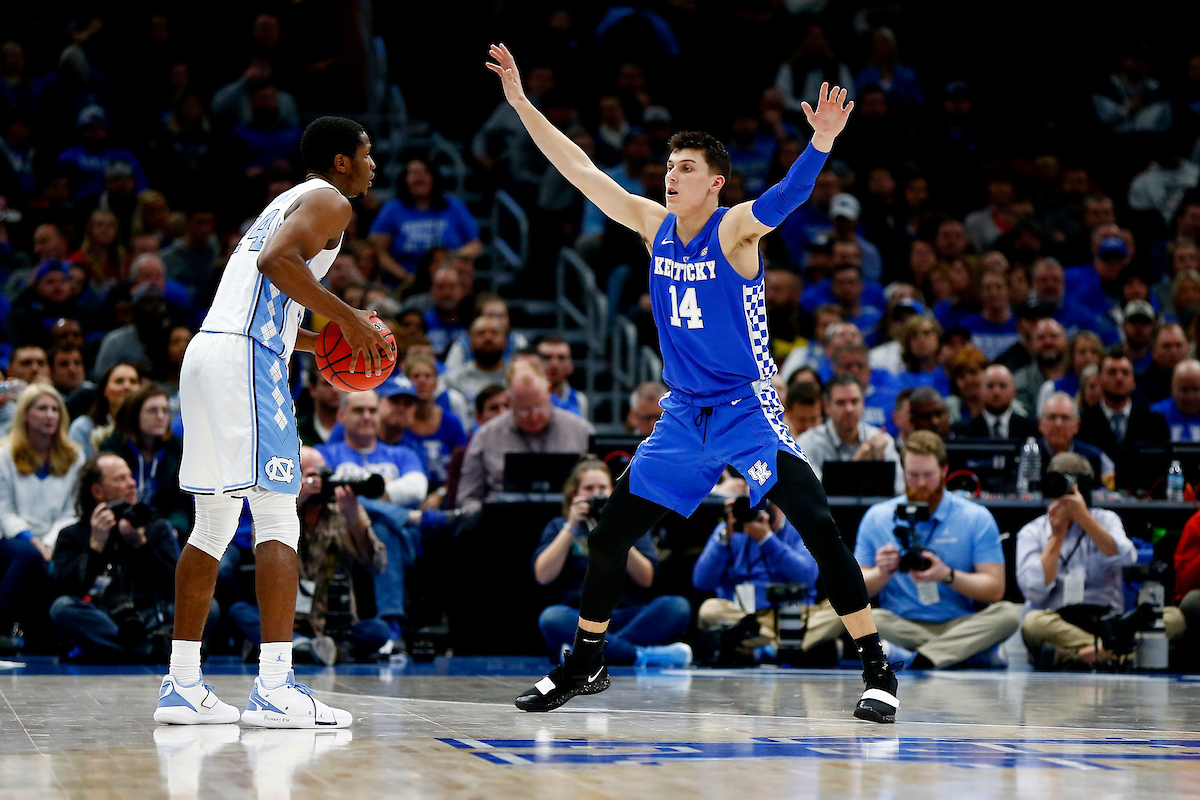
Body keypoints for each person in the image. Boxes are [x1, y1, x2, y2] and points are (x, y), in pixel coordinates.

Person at [488, 46, 899, 721]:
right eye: (669, 167)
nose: (671, 176)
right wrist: (522, 104)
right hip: (683, 416)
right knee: (609, 535)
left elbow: (788, 197)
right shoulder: (653, 225)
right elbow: (580, 169)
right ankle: (585, 664)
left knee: (819, 527)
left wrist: (821, 143)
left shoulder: (734, 228)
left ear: (715, 184)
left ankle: (877, 668)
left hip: (746, 409)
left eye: (686, 168)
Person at [157, 116, 393, 728]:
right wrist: (350, 320)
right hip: (245, 361)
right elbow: (276, 262)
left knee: (213, 522)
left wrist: (328, 340)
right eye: (367, 155)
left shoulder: (285, 201)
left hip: (210, 352)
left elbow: (271, 299)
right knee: (278, 512)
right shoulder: (331, 200)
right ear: (341, 162)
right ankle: (275, 687)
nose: (374, 166)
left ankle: (182, 685)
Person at [855, 431, 1022, 668]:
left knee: (1008, 614)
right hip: (899, 624)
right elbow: (856, 588)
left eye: (928, 475)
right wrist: (882, 572)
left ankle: (914, 658)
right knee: (861, 617)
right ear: (903, 472)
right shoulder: (877, 517)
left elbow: (995, 589)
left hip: (959, 624)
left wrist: (947, 575)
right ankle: (961, 654)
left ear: (944, 471)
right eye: (913, 475)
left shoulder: (976, 517)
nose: (921, 483)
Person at [1016, 453, 1184, 668]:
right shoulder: (1032, 531)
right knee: (1033, 624)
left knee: (1175, 618)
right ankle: (1119, 654)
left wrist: (1084, 518)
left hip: (1110, 622)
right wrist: (1056, 536)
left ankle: (1077, 655)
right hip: (1059, 621)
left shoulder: (1106, 519)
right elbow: (1034, 590)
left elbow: (1127, 557)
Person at [228, 447, 390, 665]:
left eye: (321, 474)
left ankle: (301, 649)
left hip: (333, 622)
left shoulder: (343, 507)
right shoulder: (275, 506)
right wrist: (294, 503)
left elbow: (377, 565)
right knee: (240, 612)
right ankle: (317, 649)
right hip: (285, 620)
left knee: (378, 631)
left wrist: (355, 521)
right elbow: (261, 551)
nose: (317, 482)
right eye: (309, 475)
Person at [534, 457, 692, 667]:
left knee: (677, 607)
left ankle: (589, 653)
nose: (596, 494)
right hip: (579, 616)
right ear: (574, 494)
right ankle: (639, 655)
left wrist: (617, 533)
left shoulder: (631, 524)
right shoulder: (559, 526)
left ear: (613, 491)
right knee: (551, 618)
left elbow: (646, 579)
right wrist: (571, 526)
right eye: (588, 488)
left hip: (627, 615)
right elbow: (543, 576)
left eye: (602, 488)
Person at [49, 454, 179, 662]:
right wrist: (95, 547)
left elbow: (175, 586)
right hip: (103, 618)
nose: (132, 483)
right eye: (120, 479)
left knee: (207, 607)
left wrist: (141, 545)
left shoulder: (157, 527)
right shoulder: (72, 535)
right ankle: (151, 650)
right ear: (97, 491)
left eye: (130, 476)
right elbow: (66, 588)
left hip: (149, 616)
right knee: (62, 609)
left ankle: (115, 650)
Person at [0, 385, 84, 647]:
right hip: (15, 535)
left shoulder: (74, 455)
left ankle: (49, 635)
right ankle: (3, 622)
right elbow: (4, 510)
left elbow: (72, 510)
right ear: (25, 414)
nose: (50, 415)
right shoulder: (5, 454)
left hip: (57, 535)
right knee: (28, 555)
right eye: (42, 409)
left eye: (55, 409)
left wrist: (49, 541)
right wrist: (32, 540)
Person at [693, 488, 820, 661]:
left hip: (794, 615)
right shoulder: (730, 529)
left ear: (780, 505)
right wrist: (724, 540)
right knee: (709, 609)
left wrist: (767, 540)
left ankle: (759, 646)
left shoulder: (800, 526)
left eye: (764, 505)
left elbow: (807, 576)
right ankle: (784, 646)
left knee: (840, 611)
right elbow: (701, 582)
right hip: (743, 616)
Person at [456, 365, 594, 515]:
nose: (533, 416)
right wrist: (488, 513)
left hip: (569, 520)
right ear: (509, 400)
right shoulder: (486, 436)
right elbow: (467, 499)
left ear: (549, 391)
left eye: (539, 406)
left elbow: (602, 490)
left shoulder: (581, 431)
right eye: (524, 410)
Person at [368, 158, 482, 283]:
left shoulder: (454, 206)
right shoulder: (392, 209)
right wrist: (405, 276)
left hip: (447, 280)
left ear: (434, 178)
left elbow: (474, 246)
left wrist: (450, 257)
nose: (419, 177)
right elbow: (377, 250)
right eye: (413, 173)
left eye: (425, 172)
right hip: (403, 283)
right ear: (404, 180)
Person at [97, 384, 189, 535]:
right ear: (134, 414)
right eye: (152, 410)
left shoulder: (178, 450)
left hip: (163, 529)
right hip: (120, 527)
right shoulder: (113, 448)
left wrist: (174, 529)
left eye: (165, 411)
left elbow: (180, 505)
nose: (160, 416)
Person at [796, 374, 904, 494]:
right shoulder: (808, 442)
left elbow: (899, 488)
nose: (849, 409)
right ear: (827, 407)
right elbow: (814, 492)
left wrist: (880, 466)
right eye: (841, 403)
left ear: (863, 404)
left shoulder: (881, 440)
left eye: (854, 401)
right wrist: (858, 464)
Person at [1077, 352, 1169, 461]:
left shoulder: (1154, 422)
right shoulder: (1083, 423)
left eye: (1125, 373)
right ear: (1099, 380)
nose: (1119, 378)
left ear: (1133, 381)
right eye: (1112, 372)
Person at [403, 354, 468, 495]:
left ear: (436, 383)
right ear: (406, 382)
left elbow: (464, 467)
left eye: (428, 376)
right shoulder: (400, 422)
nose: (422, 381)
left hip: (446, 493)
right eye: (415, 376)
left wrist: (441, 493)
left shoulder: (451, 422)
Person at [1037, 392, 1115, 486]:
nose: (1058, 424)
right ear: (1040, 423)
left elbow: (1112, 480)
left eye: (1065, 418)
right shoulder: (1027, 453)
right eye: (1052, 417)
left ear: (1077, 425)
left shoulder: (1094, 456)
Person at [68, 363, 141, 459]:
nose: (127, 386)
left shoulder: (148, 428)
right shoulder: (83, 428)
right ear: (105, 390)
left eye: (133, 381)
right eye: (119, 381)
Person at [952, 364, 1038, 440]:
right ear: (980, 390)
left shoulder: (1031, 429)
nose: (996, 392)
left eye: (1002, 386)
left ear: (1013, 391)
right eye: (990, 386)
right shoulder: (963, 431)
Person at [443, 315, 509, 407]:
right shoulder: (453, 380)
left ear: (505, 342)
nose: (488, 338)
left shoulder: (515, 379)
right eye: (481, 333)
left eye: (494, 333)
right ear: (470, 342)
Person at [1013, 318, 1068, 413]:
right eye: (1041, 337)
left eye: (1054, 336)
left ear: (1066, 341)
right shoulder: (1019, 382)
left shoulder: (1078, 377)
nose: (1048, 342)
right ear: (1031, 344)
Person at [895, 315, 949, 394]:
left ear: (938, 337)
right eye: (914, 336)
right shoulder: (902, 380)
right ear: (908, 343)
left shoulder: (951, 373)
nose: (920, 339)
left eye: (926, 333)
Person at [1138, 323, 1189, 404]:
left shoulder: (1197, 381)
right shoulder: (1140, 383)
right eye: (1167, 346)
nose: (1174, 352)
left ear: (1188, 348)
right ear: (1153, 351)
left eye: (1179, 346)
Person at [538, 336, 588, 418]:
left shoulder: (579, 400)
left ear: (571, 365)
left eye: (561, 358)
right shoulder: (527, 397)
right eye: (547, 357)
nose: (554, 364)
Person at [1151, 359, 1200, 443]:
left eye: (1196, 390)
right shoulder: (1156, 414)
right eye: (1184, 390)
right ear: (1173, 388)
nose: (1190, 397)